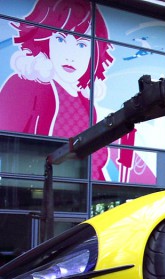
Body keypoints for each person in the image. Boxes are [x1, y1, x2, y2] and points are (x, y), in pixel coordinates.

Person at [0, 0, 115, 180]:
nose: (70, 55)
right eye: (61, 39)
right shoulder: (24, 86)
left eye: (82, 45)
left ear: (95, 53)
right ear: (45, 40)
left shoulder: (87, 105)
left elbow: (94, 171)